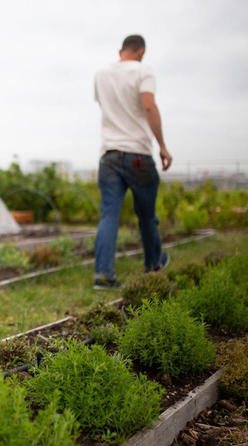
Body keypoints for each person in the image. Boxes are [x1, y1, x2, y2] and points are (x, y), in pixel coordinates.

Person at [92, 34, 173, 290]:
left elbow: (105, 105)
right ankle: (152, 266)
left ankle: (104, 274)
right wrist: (162, 145)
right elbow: (148, 107)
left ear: (121, 51)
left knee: (109, 216)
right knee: (147, 216)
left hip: (109, 155)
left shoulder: (101, 73)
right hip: (137, 153)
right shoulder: (143, 70)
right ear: (140, 52)